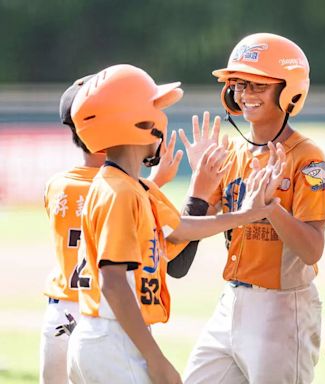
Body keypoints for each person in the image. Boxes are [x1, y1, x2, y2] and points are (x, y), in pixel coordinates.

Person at [66, 64, 283, 384]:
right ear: (135, 121)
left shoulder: (128, 185)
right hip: (113, 337)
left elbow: (181, 228)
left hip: (102, 335)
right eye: (154, 107)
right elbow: (113, 282)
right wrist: (155, 359)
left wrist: (246, 214)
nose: (161, 118)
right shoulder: (122, 192)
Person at [181, 32, 325, 384]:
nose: (245, 95)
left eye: (257, 86)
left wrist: (271, 210)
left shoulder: (309, 159)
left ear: (289, 90)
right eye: (238, 85)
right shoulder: (234, 153)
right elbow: (186, 233)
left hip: (282, 308)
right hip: (231, 300)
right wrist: (198, 186)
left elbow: (313, 249)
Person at [40, 74, 193, 384]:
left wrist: (149, 183)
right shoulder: (125, 189)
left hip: (60, 313)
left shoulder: (56, 185)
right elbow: (155, 226)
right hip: (102, 311)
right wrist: (155, 183)